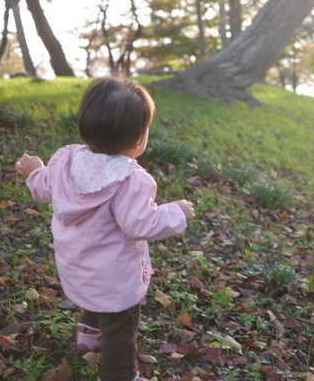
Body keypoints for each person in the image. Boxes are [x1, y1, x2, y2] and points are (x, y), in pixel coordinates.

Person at [15, 77, 196, 381]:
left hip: (76, 264)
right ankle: (121, 375)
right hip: (113, 277)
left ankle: (89, 333)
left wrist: (35, 171)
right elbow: (140, 223)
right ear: (139, 138)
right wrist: (176, 212)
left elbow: (45, 187)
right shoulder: (129, 179)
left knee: (96, 294)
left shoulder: (65, 161)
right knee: (121, 328)